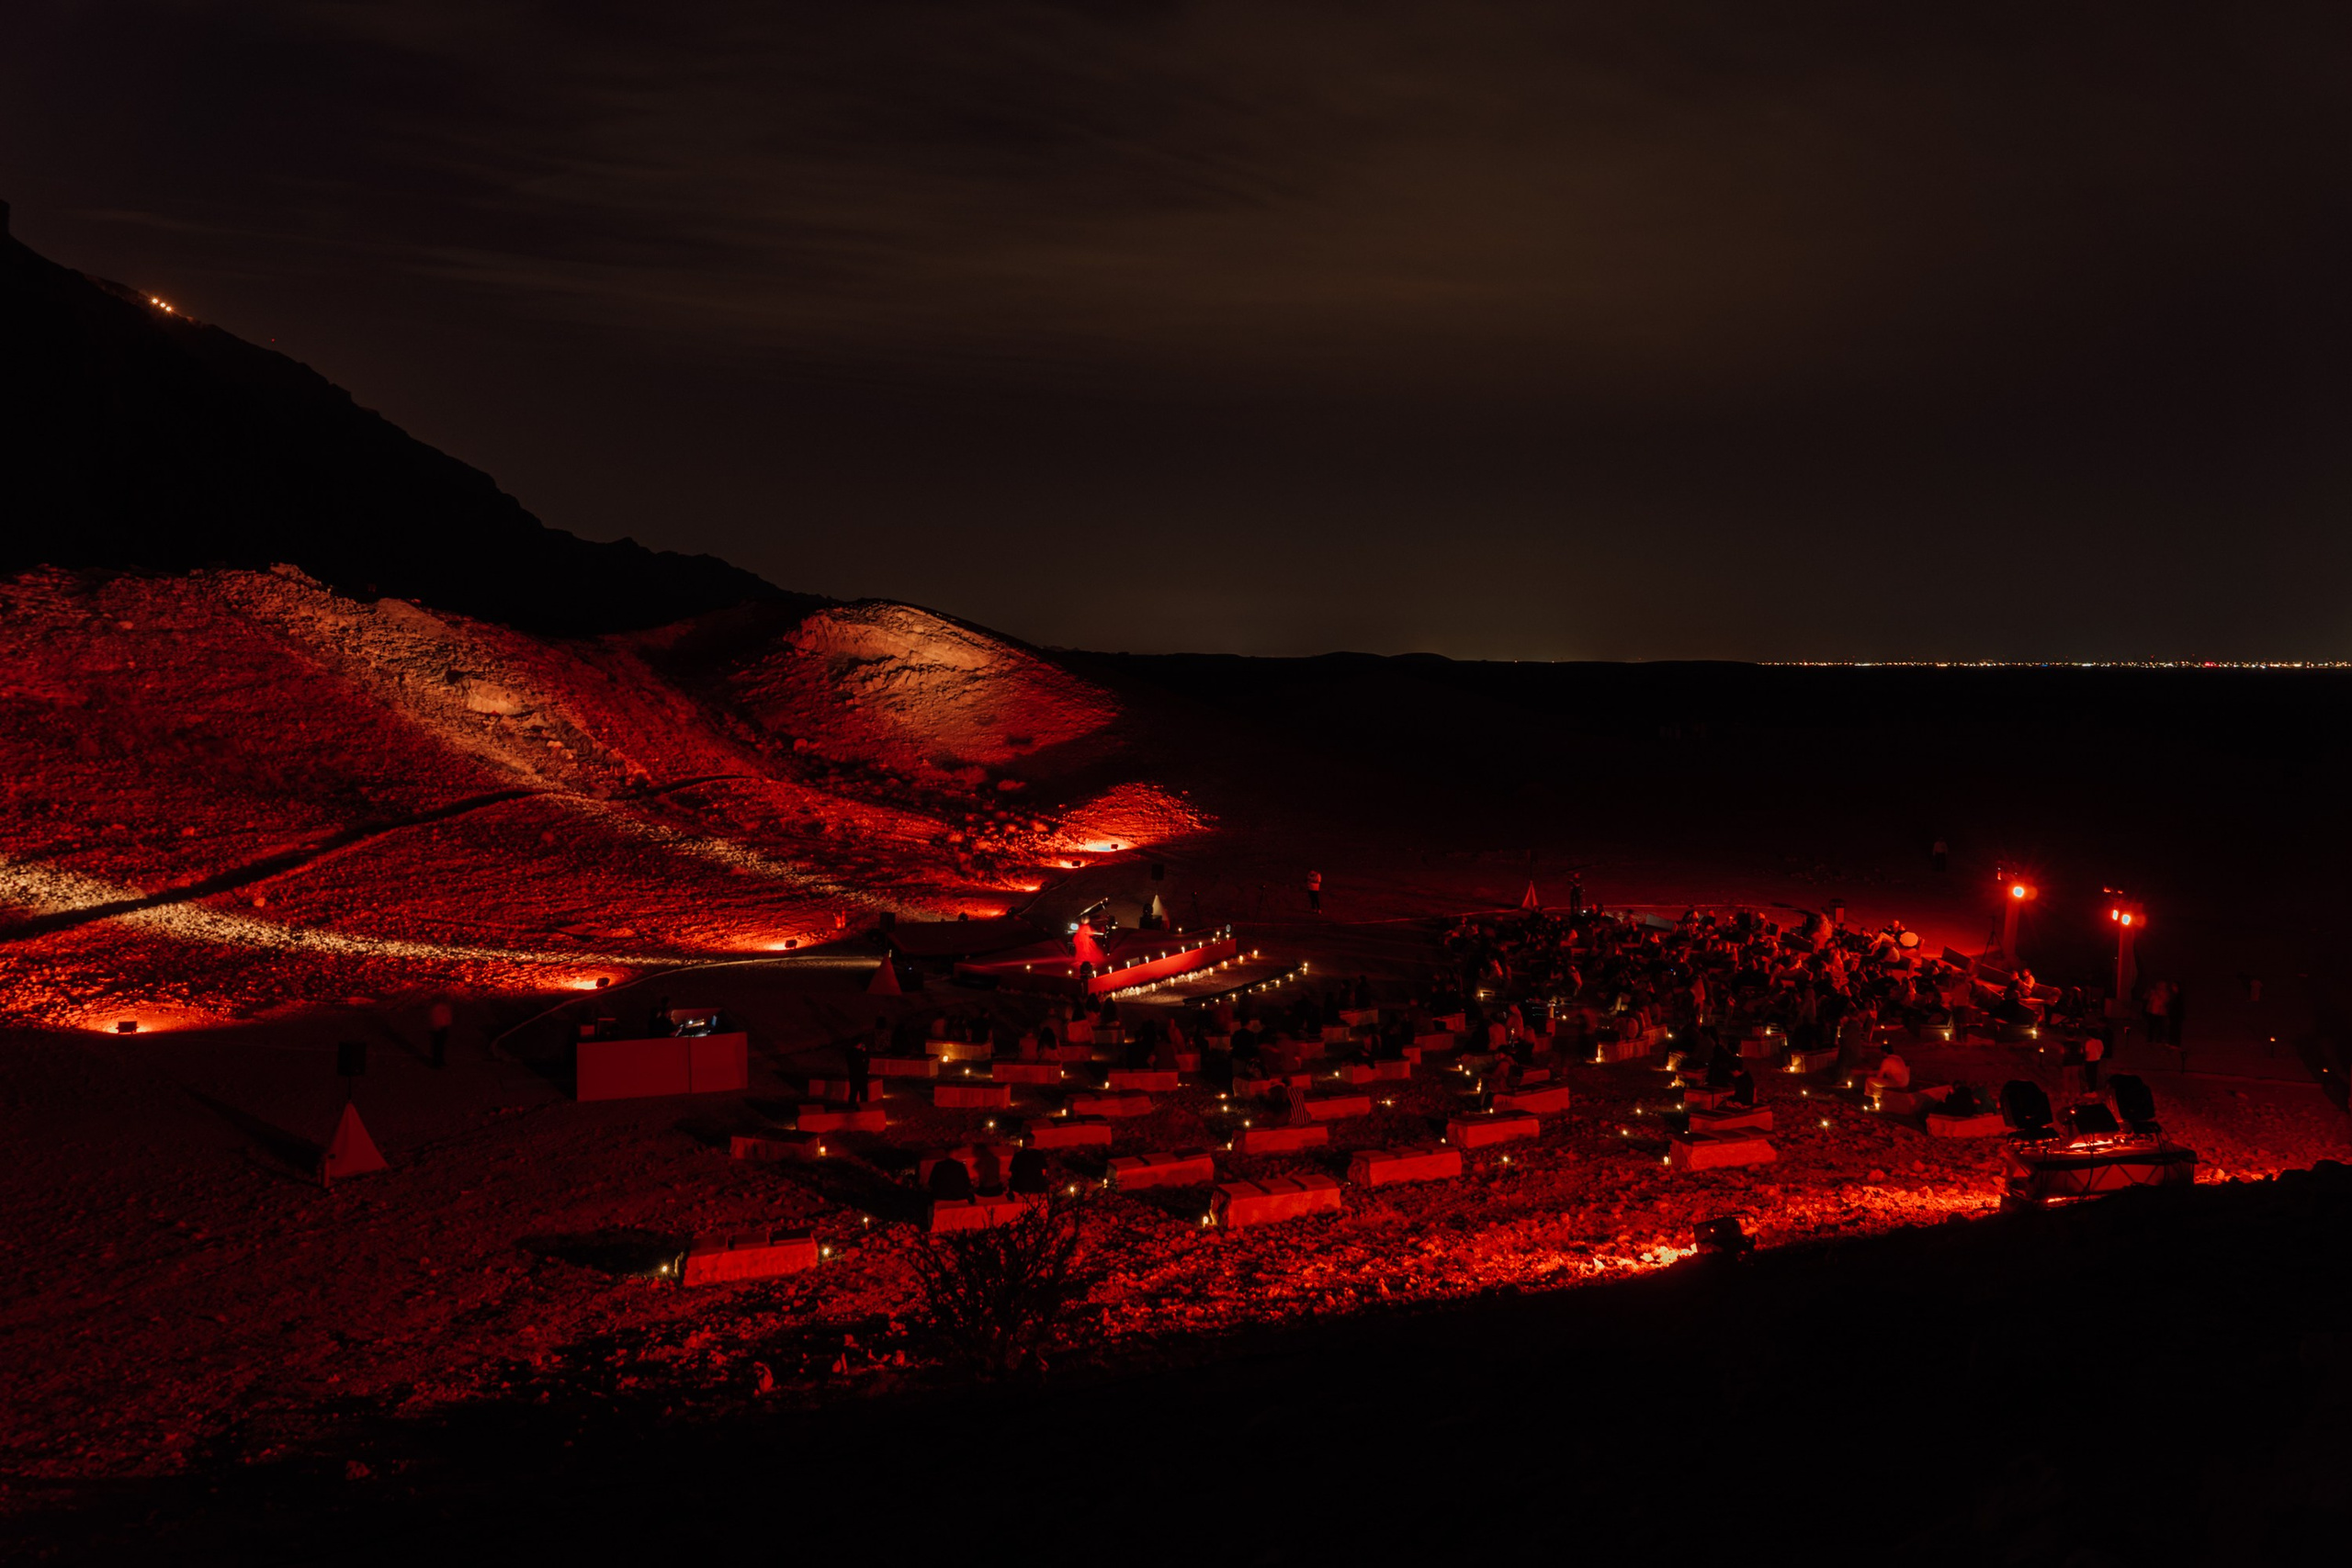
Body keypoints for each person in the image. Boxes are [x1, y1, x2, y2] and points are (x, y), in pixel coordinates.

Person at [846, 1031, 872, 1105]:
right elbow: (864, 1060)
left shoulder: (850, 1052)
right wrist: (863, 1052)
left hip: (854, 1076)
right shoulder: (856, 1053)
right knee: (861, 1093)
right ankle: (862, 1107)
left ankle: (851, 1106)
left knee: (853, 1093)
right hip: (860, 1075)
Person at [426, 998, 453, 1068]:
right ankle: (436, 1063)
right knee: (437, 1046)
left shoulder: (444, 1008)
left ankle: (440, 1061)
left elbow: (447, 1017)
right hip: (438, 1028)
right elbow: (435, 1018)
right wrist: (436, 1027)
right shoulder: (438, 1008)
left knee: (441, 1046)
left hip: (442, 1028)